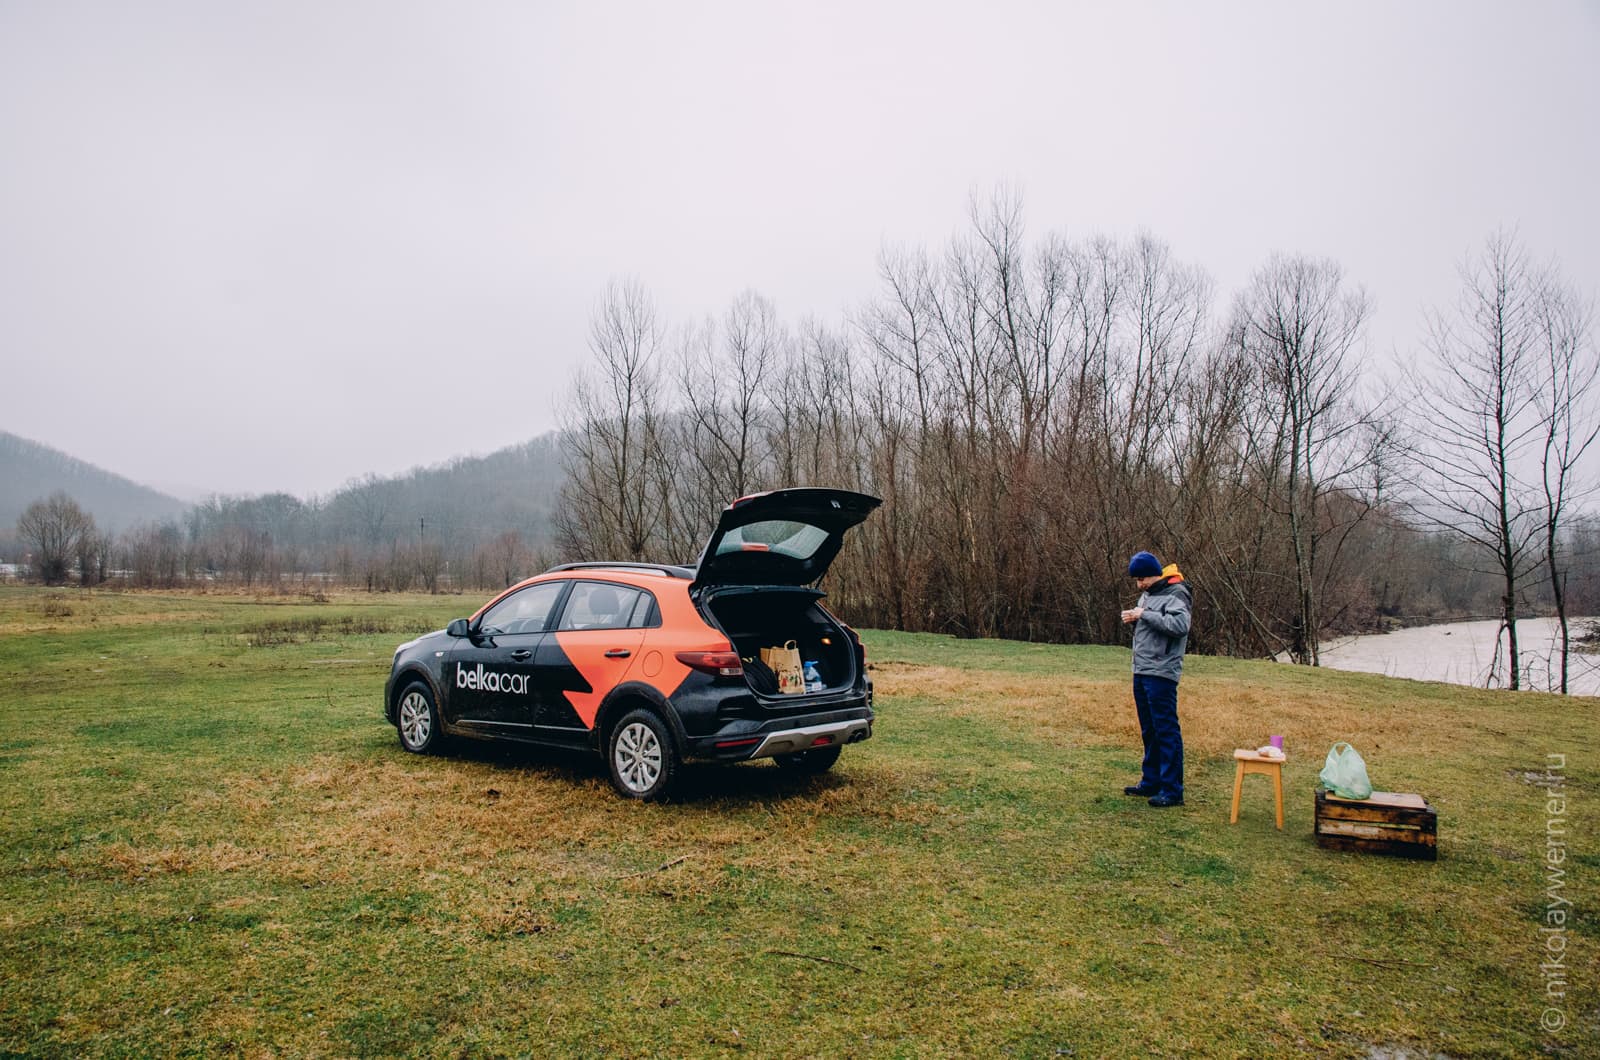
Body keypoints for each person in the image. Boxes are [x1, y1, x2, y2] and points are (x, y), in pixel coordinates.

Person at [1119, 550, 1190, 808]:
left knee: (1165, 729)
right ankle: (1151, 781)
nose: (1139, 585)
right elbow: (1152, 623)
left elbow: (1180, 626)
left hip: (1161, 671)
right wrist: (1135, 619)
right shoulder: (1149, 593)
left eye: (1141, 579)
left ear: (1153, 574)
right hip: (1142, 669)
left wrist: (1143, 615)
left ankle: (1172, 790)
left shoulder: (1177, 593)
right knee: (1149, 729)